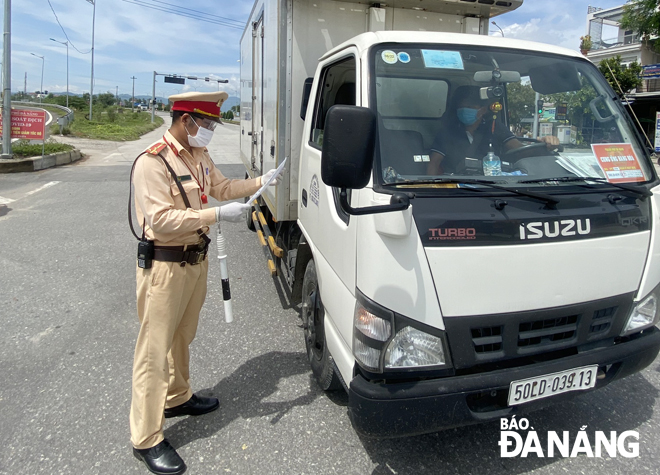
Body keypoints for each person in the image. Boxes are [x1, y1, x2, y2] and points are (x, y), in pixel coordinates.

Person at [130, 91, 280, 475]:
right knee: (153, 350)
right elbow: (161, 220)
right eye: (207, 124)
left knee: (183, 335)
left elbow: (223, 188)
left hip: (194, 261)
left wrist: (262, 181)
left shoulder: (197, 156)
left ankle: (177, 397)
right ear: (186, 121)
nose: (209, 131)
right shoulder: (153, 162)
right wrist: (214, 215)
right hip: (164, 266)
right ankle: (147, 437)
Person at [427, 86, 559, 175]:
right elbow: (434, 163)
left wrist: (544, 144)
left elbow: (519, 150)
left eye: (469, 106)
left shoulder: (495, 127)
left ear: (482, 110)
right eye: (461, 107)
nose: (463, 110)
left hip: (492, 188)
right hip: (457, 187)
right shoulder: (447, 133)